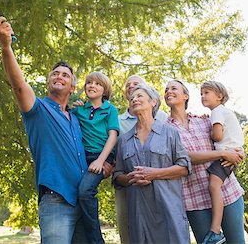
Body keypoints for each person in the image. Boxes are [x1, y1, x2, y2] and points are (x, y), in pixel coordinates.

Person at [0, 17, 89, 243]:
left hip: (84, 202)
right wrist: (6, 46)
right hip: (56, 201)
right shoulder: (38, 109)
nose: (59, 76)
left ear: (73, 87)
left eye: (65, 75)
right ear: (49, 82)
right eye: (55, 74)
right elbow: (18, 85)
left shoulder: (76, 118)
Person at [164, 80, 246, 244]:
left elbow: (228, 139)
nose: (168, 92)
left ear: (186, 96)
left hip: (227, 192)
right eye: (166, 90)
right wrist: (222, 153)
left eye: (173, 88)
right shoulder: (164, 130)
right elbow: (184, 157)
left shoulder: (204, 120)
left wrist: (239, 151)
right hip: (194, 199)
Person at [113, 84, 192, 244]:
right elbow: (117, 176)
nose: (134, 99)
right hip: (138, 216)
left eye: (139, 96)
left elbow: (184, 167)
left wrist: (154, 174)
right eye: (132, 98)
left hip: (169, 211)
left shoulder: (170, 133)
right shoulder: (123, 140)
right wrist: (130, 178)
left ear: (153, 102)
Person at [115, 75, 168, 244]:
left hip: (161, 183)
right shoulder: (118, 121)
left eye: (136, 85)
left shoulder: (163, 118)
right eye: (128, 86)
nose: (131, 87)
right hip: (129, 185)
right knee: (129, 226)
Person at [71, 72, 120, 243]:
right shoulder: (79, 110)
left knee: (85, 192)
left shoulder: (110, 109)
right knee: (76, 198)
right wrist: (73, 106)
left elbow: (113, 136)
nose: (92, 85)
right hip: (81, 158)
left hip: (101, 157)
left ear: (105, 90)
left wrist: (101, 161)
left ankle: (97, 240)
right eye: (89, 82)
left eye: (97, 84)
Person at [200, 81, 245, 244]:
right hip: (232, 152)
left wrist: (210, 132)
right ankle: (217, 228)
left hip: (227, 154)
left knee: (214, 186)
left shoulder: (217, 112)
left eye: (207, 92)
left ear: (219, 96)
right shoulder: (223, 112)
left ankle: (215, 230)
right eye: (201, 93)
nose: (203, 96)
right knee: (215, 185)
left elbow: (218, 136)